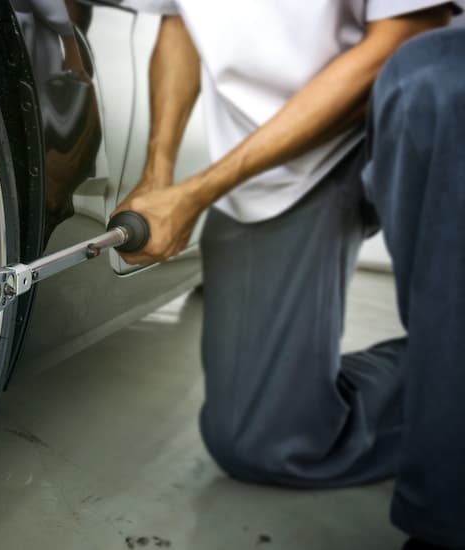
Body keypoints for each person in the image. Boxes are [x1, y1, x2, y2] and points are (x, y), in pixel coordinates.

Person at [113, 2, 464, 548]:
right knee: (260, 440)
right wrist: (158, 175)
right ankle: (447, 378)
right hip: (270, 147)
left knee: (436, 84)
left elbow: (406, 32)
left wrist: (200, 190)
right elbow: (178, 20)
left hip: (401, 109)